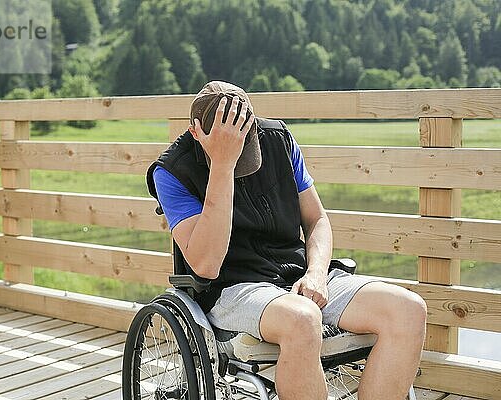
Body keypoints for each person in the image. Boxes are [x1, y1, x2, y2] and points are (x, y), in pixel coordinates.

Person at [146, 81, 427, 400]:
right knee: (302, 319)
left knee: (408, 309)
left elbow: (317, 219)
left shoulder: (277, 139)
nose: (240, 153)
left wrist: (317, 274)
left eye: (243, 143)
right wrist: (222, 166)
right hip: (233, 288)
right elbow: (206, 264)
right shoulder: (171, 171)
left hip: (298, 276)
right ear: (196, 132)